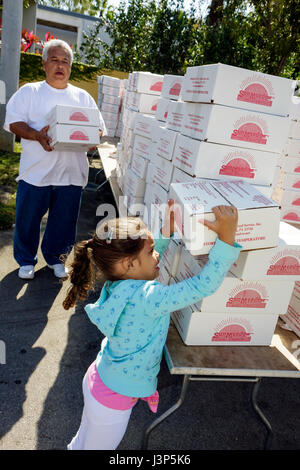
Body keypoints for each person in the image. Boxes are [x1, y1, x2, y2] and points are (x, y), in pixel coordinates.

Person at [62, 200, 242, 450]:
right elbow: (202, 286)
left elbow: (139, 258)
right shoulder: (150, 297)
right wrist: (226, 240)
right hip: (112, 399)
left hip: (99, 379)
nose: (157, 254)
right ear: (129, 264)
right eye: (151, 251)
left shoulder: (119, 283)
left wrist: (164, 234)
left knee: (82, 442)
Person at [4, 39, 107, 280]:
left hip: (70, 174)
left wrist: (92, 138)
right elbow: (13, 122)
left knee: (64, 222)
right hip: (35, 172)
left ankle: (56, 259)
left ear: (70, 67)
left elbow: (99, 129)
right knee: (27, 220)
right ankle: (26, 261)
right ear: (44, 64)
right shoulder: (30, 92)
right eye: (54, 60)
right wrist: (35, 135)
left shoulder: (82, 97)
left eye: (65, 61)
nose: (60, 65)